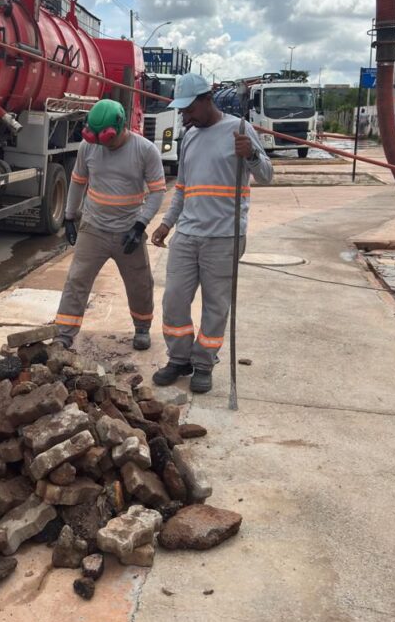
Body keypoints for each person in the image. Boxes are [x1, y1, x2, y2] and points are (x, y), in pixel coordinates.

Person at [150, 72, 273, 393]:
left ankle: (204, 363)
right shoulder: (189, 137)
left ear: (206, 100)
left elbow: (267, 176)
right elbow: (183, 189)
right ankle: (179, 359)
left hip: (225, 236)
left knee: (215, 305)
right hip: (187, 235)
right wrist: (166, 223)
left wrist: (252, 154)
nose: (184, 116)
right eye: (181, 110)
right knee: (174, 299)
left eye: (188, 109)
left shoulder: (240, 130)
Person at [55, 98, 166, 351]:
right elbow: (78, 181)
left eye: (108, 139)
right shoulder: (88, 146)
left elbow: (158, 191)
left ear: (120, 127)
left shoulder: (145, 150)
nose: (103, 146)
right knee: (77, 280)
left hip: (129, 231)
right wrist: (70, 216)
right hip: (93, 228)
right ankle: (63, 335)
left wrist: (140, 226)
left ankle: (142, 328)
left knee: (140, 282)